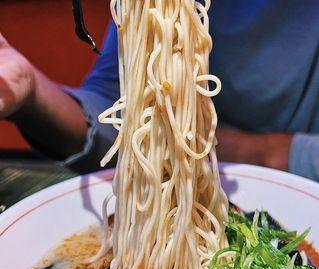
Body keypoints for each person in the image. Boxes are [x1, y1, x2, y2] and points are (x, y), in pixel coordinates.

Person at [0, 0, 318, 179]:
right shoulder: (148, 6)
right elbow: (118, 109)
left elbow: (137, 130)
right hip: (172, 205)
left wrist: (262, 151)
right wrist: (29, 91)